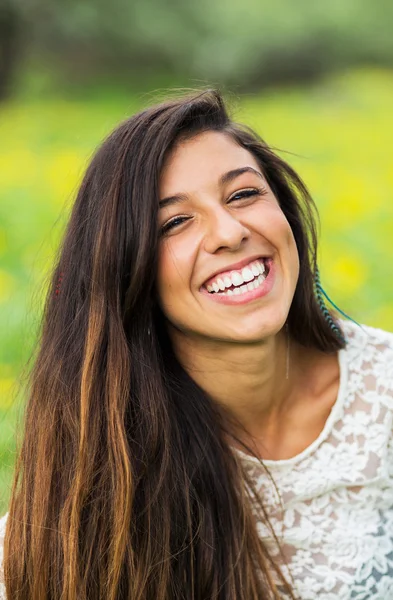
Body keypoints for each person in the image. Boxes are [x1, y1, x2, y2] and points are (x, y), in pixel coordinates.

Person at [0, 89, 392, 600]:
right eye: (176, 222)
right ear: (124, 273)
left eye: (244, 195)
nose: (229, 232)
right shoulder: (99, 471)